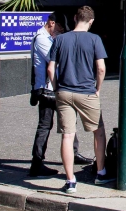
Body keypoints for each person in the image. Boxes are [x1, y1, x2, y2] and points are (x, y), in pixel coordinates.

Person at [47, 6, 112, 193]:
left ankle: (70, 180)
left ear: (75, 18)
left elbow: (51, 69)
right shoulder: (94, 39)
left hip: (64, 92)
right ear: (91, 22)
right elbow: (101, 68)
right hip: (87, 91)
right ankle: (101, 172)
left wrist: (57, 87)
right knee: (98, 132)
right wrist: (97, 88)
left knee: (67, 135)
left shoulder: (59, 39)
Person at [29, 15, 92, 176]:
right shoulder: (41, 39)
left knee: (69, 121)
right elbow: (56, 59)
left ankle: (74, 152)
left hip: (57, 88)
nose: (61, 33)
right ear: (51, 23)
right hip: (47, 90)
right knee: (44, 126)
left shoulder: (50, 38)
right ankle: (36, 162)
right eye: (60, 29)